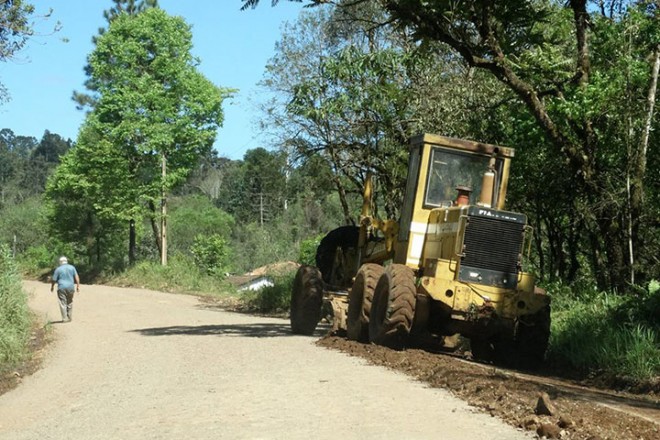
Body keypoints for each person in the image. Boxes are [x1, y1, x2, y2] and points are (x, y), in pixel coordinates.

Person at [50, 256, 80, 322]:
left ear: (60, 262)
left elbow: (54, 279)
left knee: (63, 302)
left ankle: (64, 318)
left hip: (61, 287)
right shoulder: (72, 267)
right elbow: (76, 276)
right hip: (71, 287)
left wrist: (52, 287)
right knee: (70, 301)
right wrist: (78, 286)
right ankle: (69, 317)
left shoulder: (58, 269)